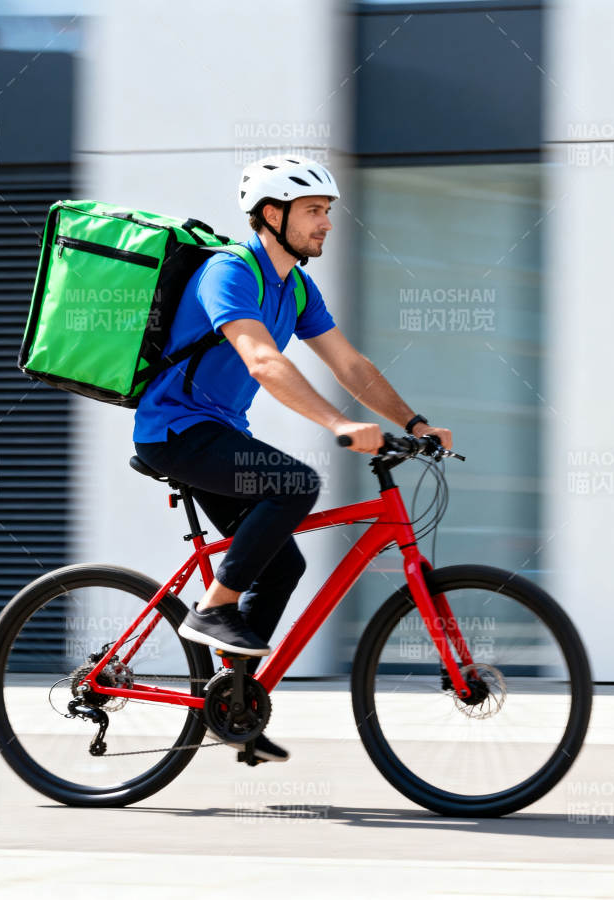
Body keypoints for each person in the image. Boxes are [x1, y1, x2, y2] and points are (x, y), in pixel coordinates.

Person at [131, 155, 452, 763]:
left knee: (281, 567)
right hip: (175, 431)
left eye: (327, 212)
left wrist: (412, 423)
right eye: (313, 211)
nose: (326, 223)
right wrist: (337, 424)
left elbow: (350, 365)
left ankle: (236, 706)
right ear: (271, 215)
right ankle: (213, 610)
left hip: (218, 430)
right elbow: (262, 361)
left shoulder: (297, 285)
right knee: (292, 482)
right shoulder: (229, 272)